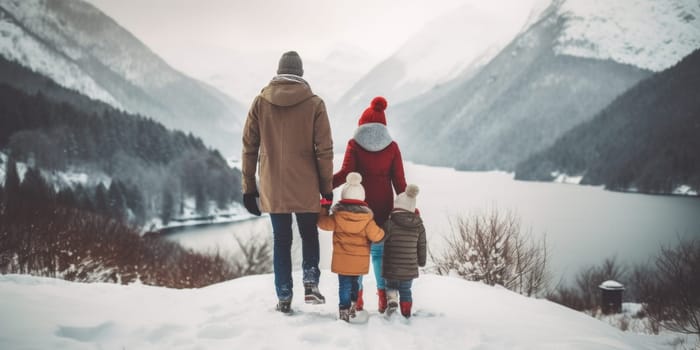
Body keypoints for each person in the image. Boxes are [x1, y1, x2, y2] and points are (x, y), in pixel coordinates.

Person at [241, 51, 334, 313]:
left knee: (282, 239)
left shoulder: (260, 102)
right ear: (301, 74)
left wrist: (249, 188)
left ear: (278, 71)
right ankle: (310, 281)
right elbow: (324, 150)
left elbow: (249, 147)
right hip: (306, 183)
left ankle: (283, 294)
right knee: (308, 233)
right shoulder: (315, 104)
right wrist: (326, 188)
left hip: (273, 184)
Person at [332, 96, 407, 313]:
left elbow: (346, 174)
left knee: (357, 251)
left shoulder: (354, 144)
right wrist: (409, 205)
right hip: (383, 206)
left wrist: (325, 187)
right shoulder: (392, 147)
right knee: (378, 253)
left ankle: (358, 298)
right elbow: (399, 182)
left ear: (362, 123)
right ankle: (383, 297)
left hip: (358, 205)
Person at [317, 172, 385, 321]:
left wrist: (324, 209)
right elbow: (377, 236)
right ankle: (354, 302)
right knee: (355, 283)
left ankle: (344, 309)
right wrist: (383, 231)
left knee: (344, 285)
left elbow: (322, 223)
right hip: (359, 262)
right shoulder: (367, 219)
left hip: (342, 261)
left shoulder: (337, 216)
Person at [382, 184, 426, 318]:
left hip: (392, 266)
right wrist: (421, 261)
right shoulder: (419, 225)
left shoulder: (390, 223)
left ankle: (392, 300)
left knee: (391, 286)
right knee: (406, 290)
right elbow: (422, 245)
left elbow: (380, 238)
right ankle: (406, 313)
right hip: (409, 267)